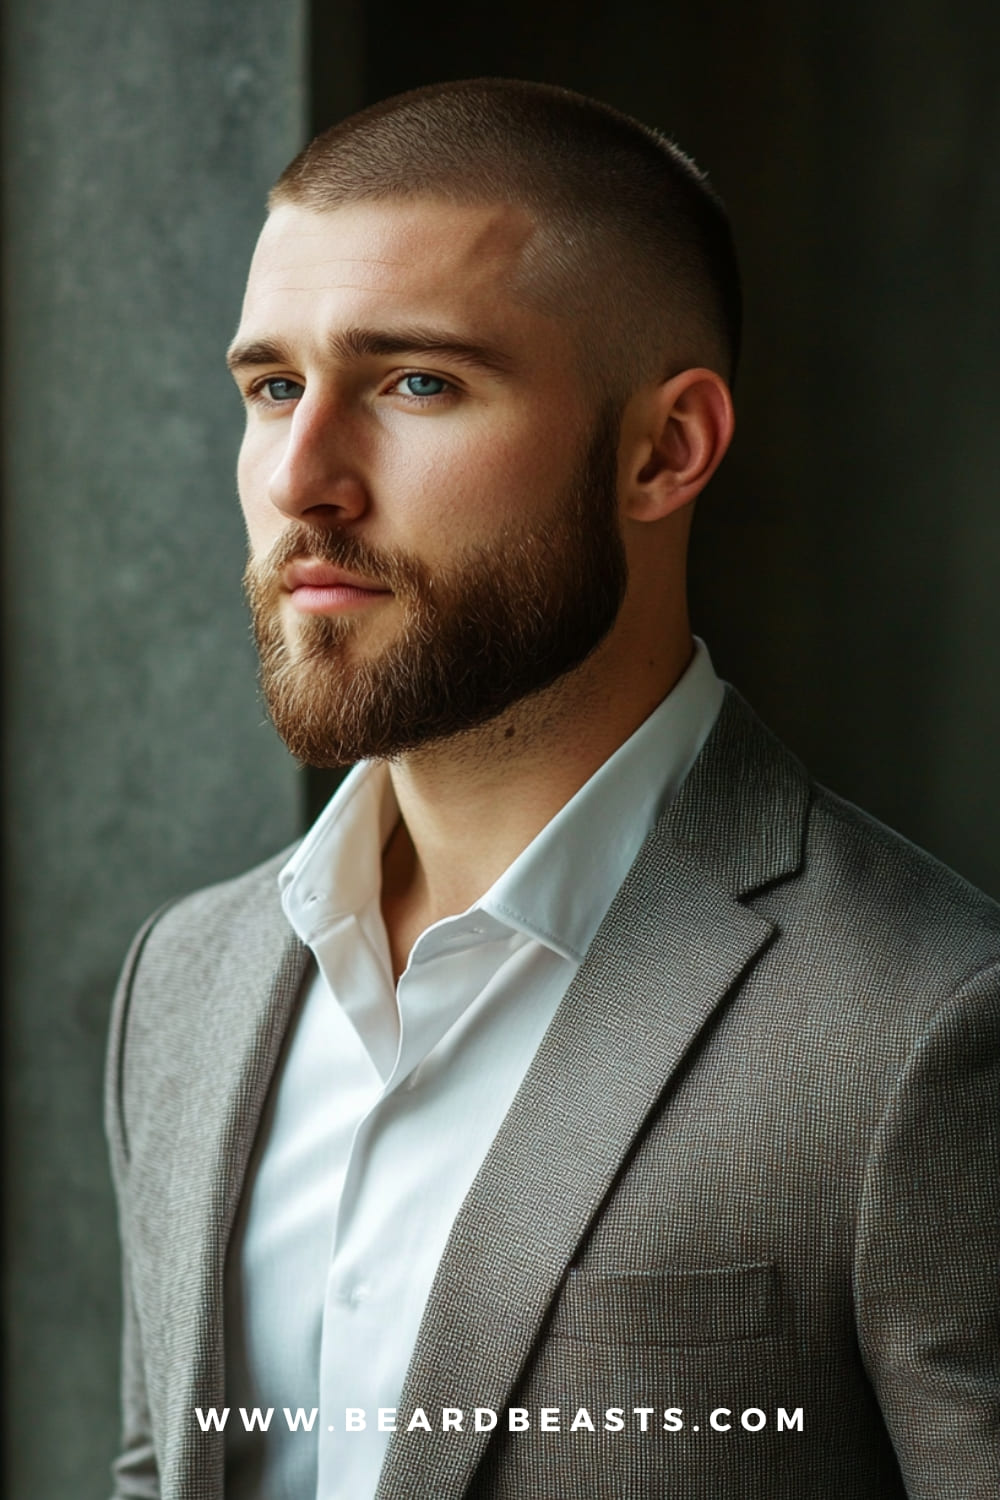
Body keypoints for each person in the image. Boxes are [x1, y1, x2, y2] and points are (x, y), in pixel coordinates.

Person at [105, 78, 1000, 1500]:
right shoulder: (189, 981)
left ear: (666, 449)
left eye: (417, 383)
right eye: (272, 386)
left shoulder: (927, 1026)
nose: (301, 477)